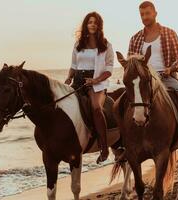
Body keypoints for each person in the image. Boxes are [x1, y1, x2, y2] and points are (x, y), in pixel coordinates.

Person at [128, 1, 178, 159]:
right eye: (142, 14)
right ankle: (126, 144)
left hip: (165, 77)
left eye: (147, 13)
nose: (145, 17)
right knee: (120, 105)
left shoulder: (169, 33)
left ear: (155, 14)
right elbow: (130, 64)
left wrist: (170, 69)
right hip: (144, 80)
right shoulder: (135, 38)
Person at [65, 12, 114, 163]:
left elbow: (109, 69)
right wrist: (69, 77)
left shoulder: (106, 45)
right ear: (86, 25)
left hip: (96, 83)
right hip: (78, 80)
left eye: (95, 22)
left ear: (99, 26)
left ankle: (104, 148)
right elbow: (74, 66)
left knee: (95, 108)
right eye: (90, 22)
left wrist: (95, 80)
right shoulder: (78, 44)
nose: (92, 25)